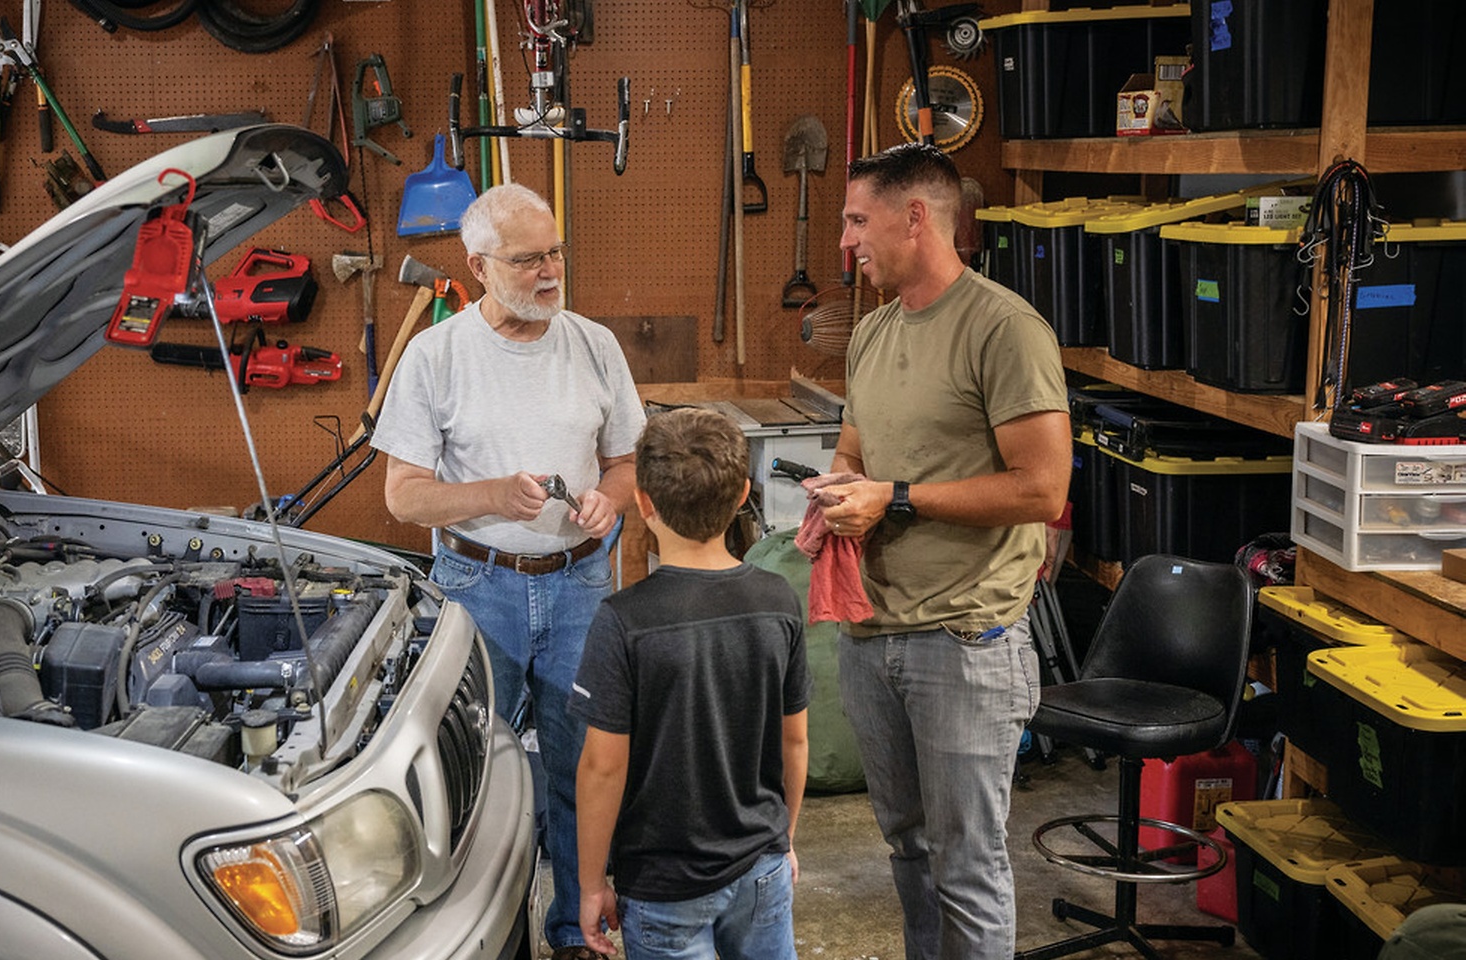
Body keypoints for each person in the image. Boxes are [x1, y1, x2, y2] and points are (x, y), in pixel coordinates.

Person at [372, 182, 645, 960]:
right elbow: (402, 497)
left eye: (556, 253)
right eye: (528, 261)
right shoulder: (436, 356)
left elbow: (625, 462)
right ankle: (484, 938)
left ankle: (573, 934)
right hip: (475, 585)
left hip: (581, 583)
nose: (551, 273)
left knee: (581, 765)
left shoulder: (593, 345)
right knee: (472, 778)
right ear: (479, 265)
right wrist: (491, 494)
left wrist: (609, 503)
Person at [813, 141, 1072, 959]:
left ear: (915, 218)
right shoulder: (872, 332)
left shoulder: (1003, 329)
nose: (846, 242)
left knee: (966, 867)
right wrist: (841, 486)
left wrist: (892, 496)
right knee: (910, 853)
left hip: (963, 642)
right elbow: (854, 449)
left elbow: (1042, 490)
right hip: (874, 632)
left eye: (857, 220)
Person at [571, 407, 810, 960]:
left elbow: (602, 767)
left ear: (644, 503)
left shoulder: (622, 620)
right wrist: (785, 841)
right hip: (761, 869)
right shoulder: (778, 601)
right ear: (743, 493)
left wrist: (589, 886)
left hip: (662, 888)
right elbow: (793, 742)